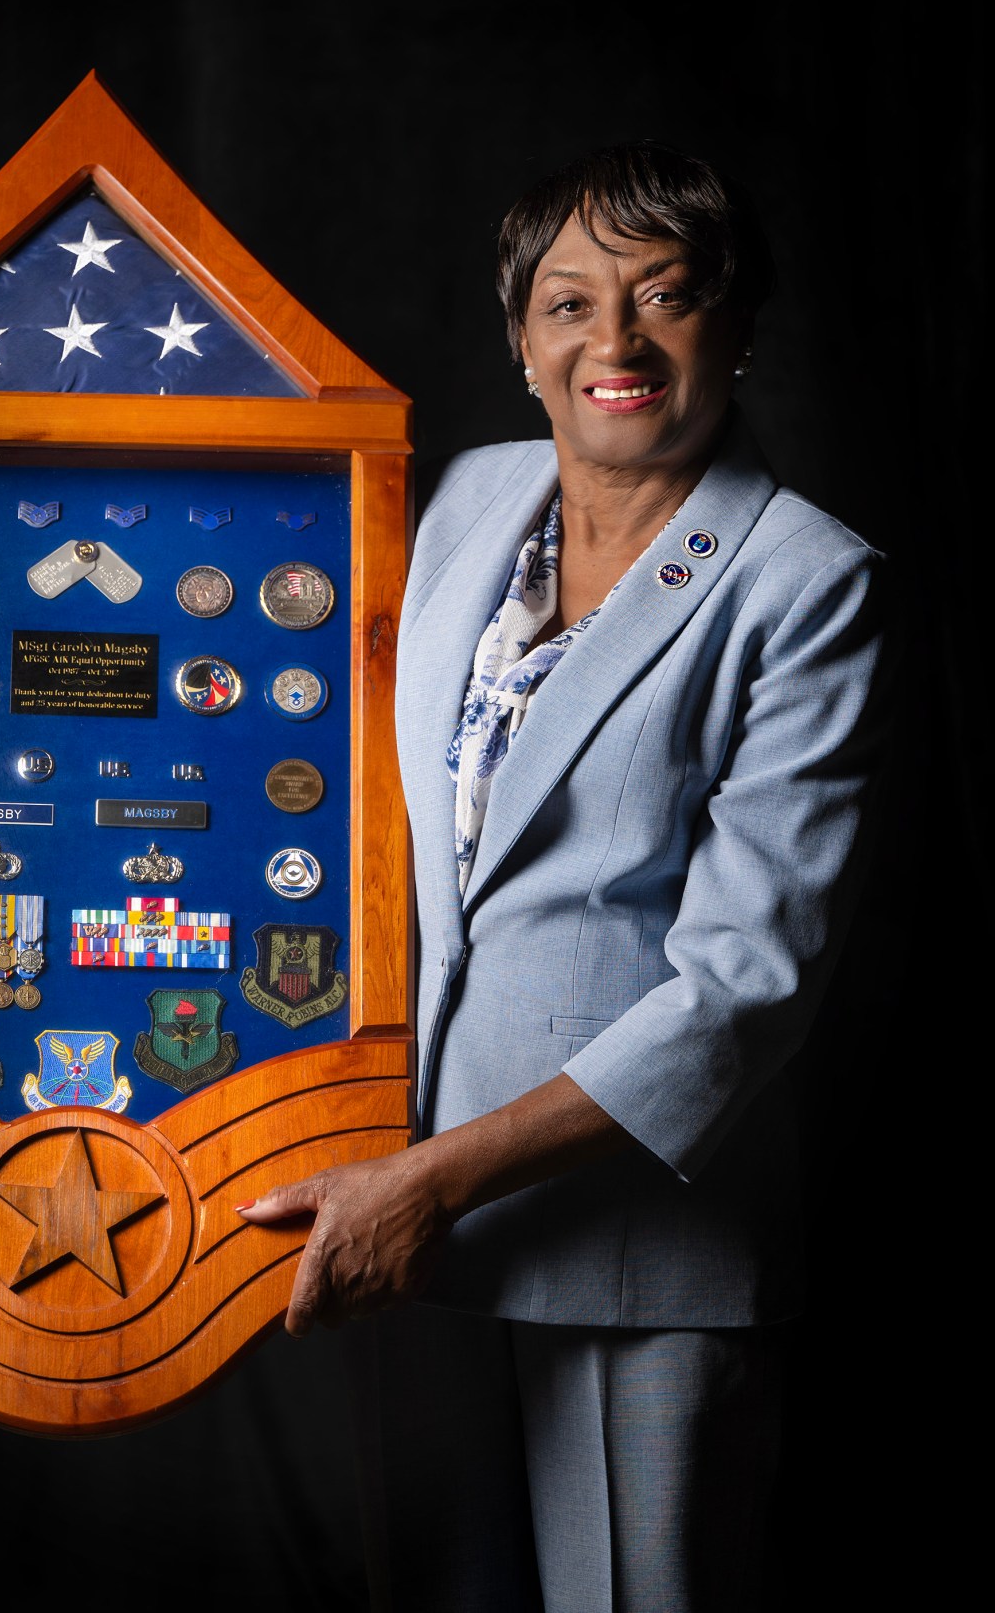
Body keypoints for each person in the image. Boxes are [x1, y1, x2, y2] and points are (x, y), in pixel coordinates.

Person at [239, 142, 888, 1611]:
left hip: (630, 1249)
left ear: (738, 326)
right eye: (571, 302)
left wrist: (430, 1186)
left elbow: (744, 991)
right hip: (393, 1206)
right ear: (521, 339)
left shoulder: (808, 584)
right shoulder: (468, 498)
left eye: (667, 297)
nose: (616, 342)